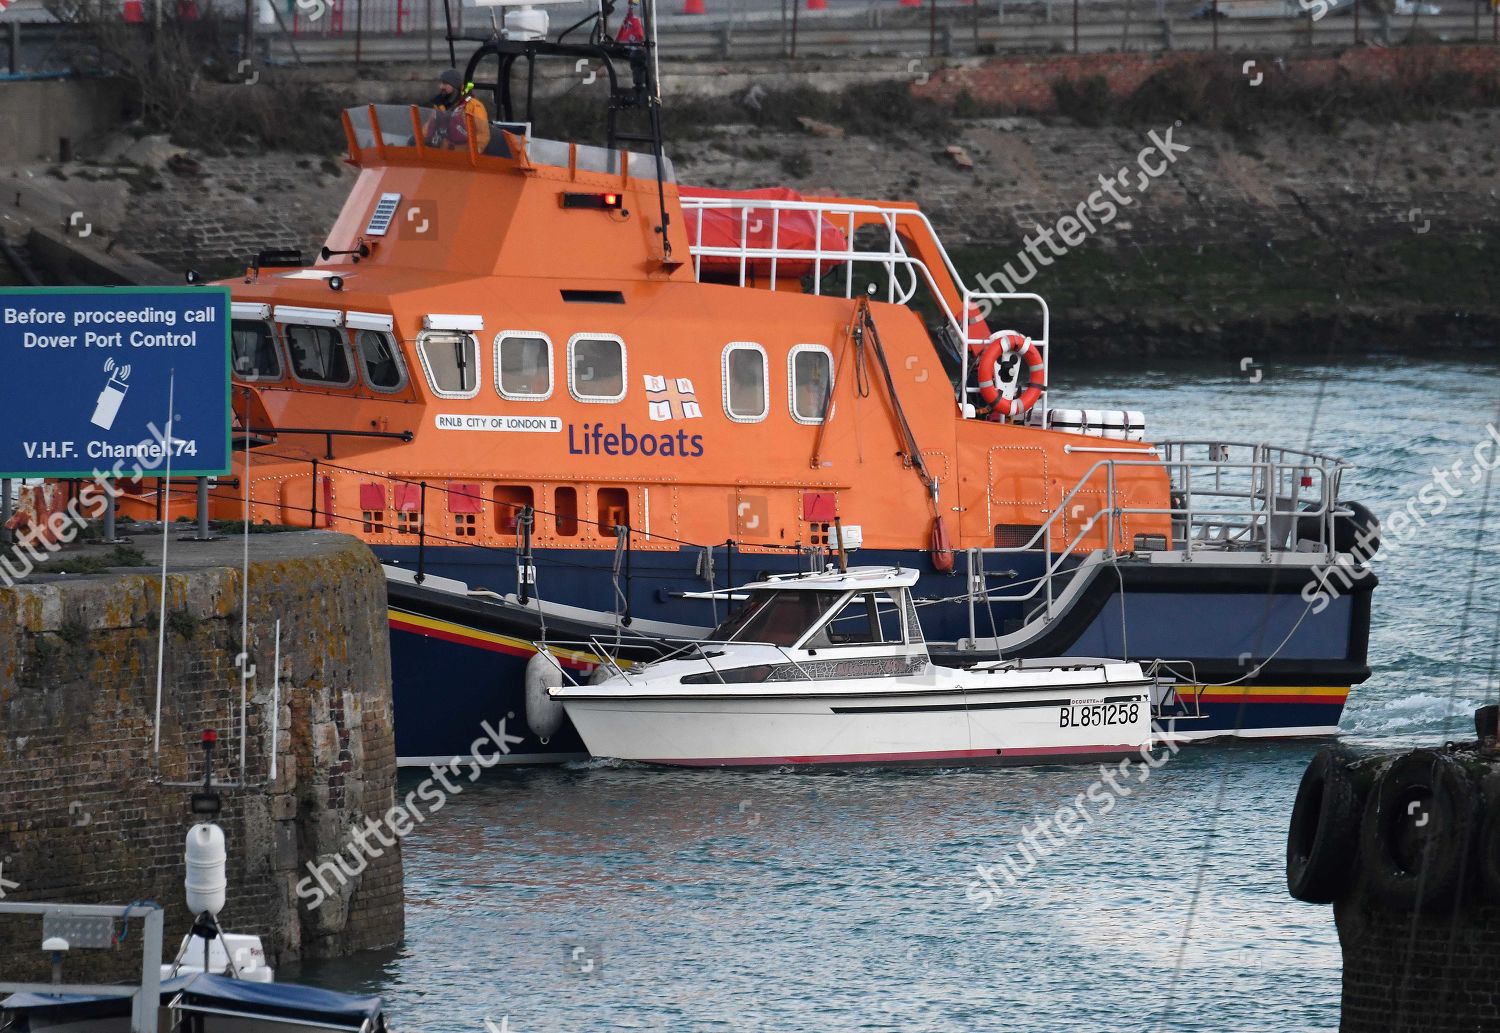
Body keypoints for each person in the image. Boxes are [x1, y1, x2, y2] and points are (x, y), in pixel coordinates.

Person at [424, 69, 491, 153]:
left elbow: (483, 136)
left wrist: (470, 153)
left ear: (455, 86)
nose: (441, 87)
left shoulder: (474, 106)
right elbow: (426, 130)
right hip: (439, 155)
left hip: (463, 158)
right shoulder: (439, 106)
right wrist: (418, 140)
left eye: (445, 83)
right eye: (441, 83)